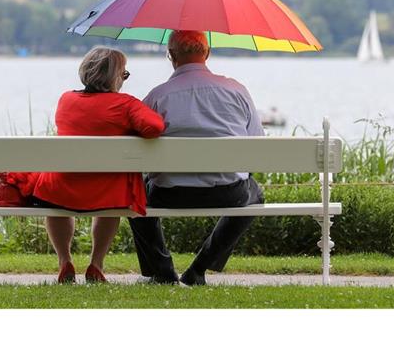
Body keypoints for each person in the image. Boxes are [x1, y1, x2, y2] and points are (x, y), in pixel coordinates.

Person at [128, 30, 265, 286]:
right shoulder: (236, 90)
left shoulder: (158, 95)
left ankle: (162, 271)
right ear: (207, 53)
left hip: (169, 193)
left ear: (171, 55)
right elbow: (257, 142)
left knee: (134, 194)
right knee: (255, 194)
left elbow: (134, 144)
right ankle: (199, 268)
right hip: (228, 192)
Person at [29, 46, 165, 284]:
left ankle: (64, 261)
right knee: (110, 194)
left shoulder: (66, 100)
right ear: (114, 77)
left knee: (56, 192)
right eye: (124, 74)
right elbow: (154, 127)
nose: (123, 80)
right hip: (105, 193)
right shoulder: (125, 105)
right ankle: (96, 264)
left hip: (61, 190)